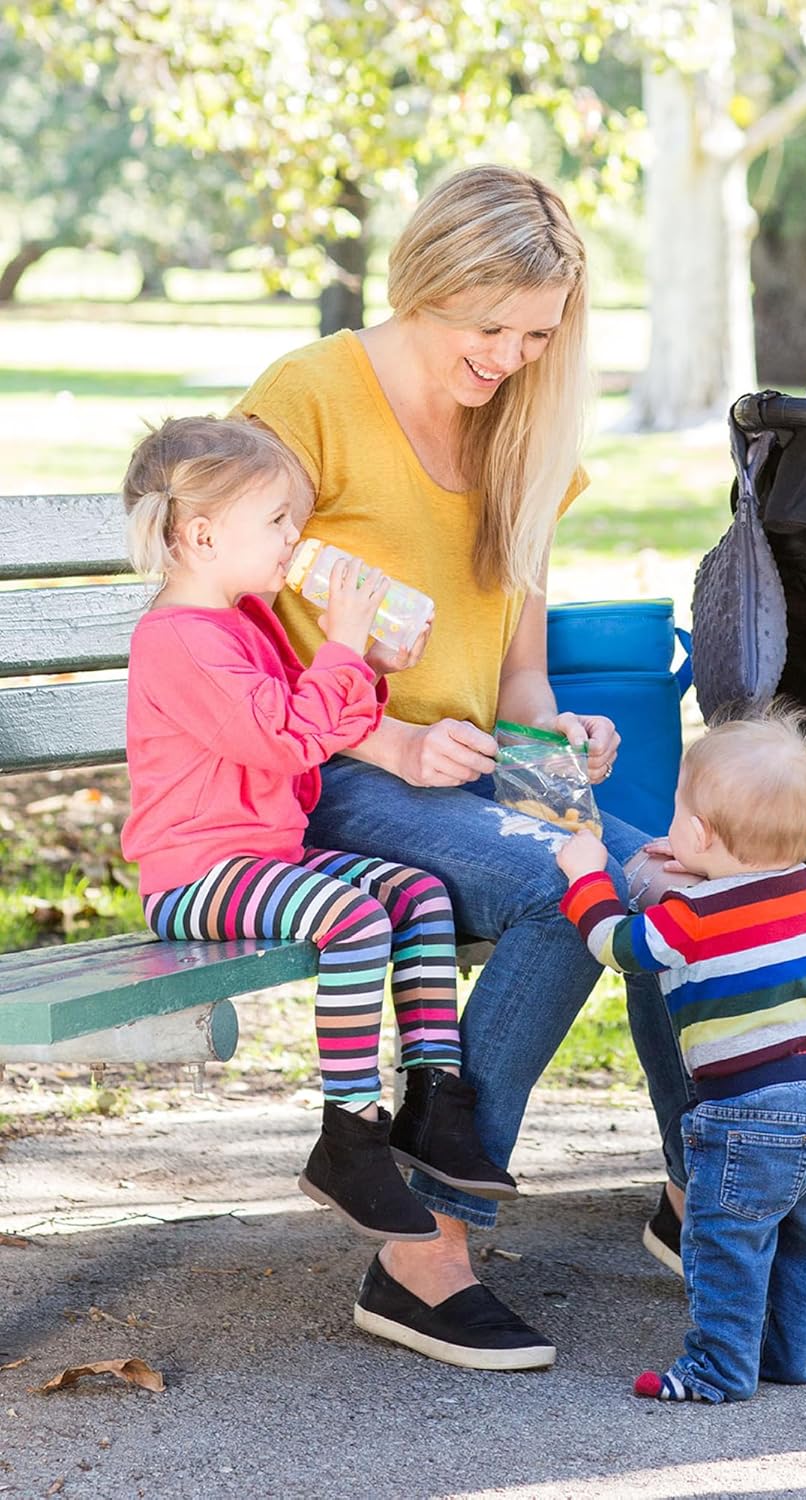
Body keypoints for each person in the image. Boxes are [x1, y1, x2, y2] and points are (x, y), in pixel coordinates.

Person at [234, 163, 692, 1370]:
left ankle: (707, 1207)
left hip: (468, 776)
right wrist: (383, 736)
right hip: (326, 771)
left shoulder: (521, 430)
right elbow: (219, 630)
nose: (507, 357)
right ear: (423, 284)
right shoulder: (310, 396)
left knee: (669, 887)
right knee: (563, 889)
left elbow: (519, 687)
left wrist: (561, 755)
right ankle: (426, 1252)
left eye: (535, 335)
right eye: (486, 326)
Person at [118, 416, 518, 1273]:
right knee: (353, 919)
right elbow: (286, 738)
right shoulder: (176, 640)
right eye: (277, 523)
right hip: (196, 876)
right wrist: (338, 644)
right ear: (200, 534)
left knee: (417, 895)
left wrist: (372, 658)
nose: (293, 540)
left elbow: (323, 715)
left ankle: (434, 1100)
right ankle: (349, 1135)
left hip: (265, 861)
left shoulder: (242, 618)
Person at [556, 706, 806, 1404]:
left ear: (698, 831)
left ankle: (716, 1370)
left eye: (679, 814)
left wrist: (586, 878)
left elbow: (622, 948)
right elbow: (735, 887)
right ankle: (792, 1355)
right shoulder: (800, 888)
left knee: (726, 1245)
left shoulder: (691, 919)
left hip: (752, 1117)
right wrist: (694, 866)